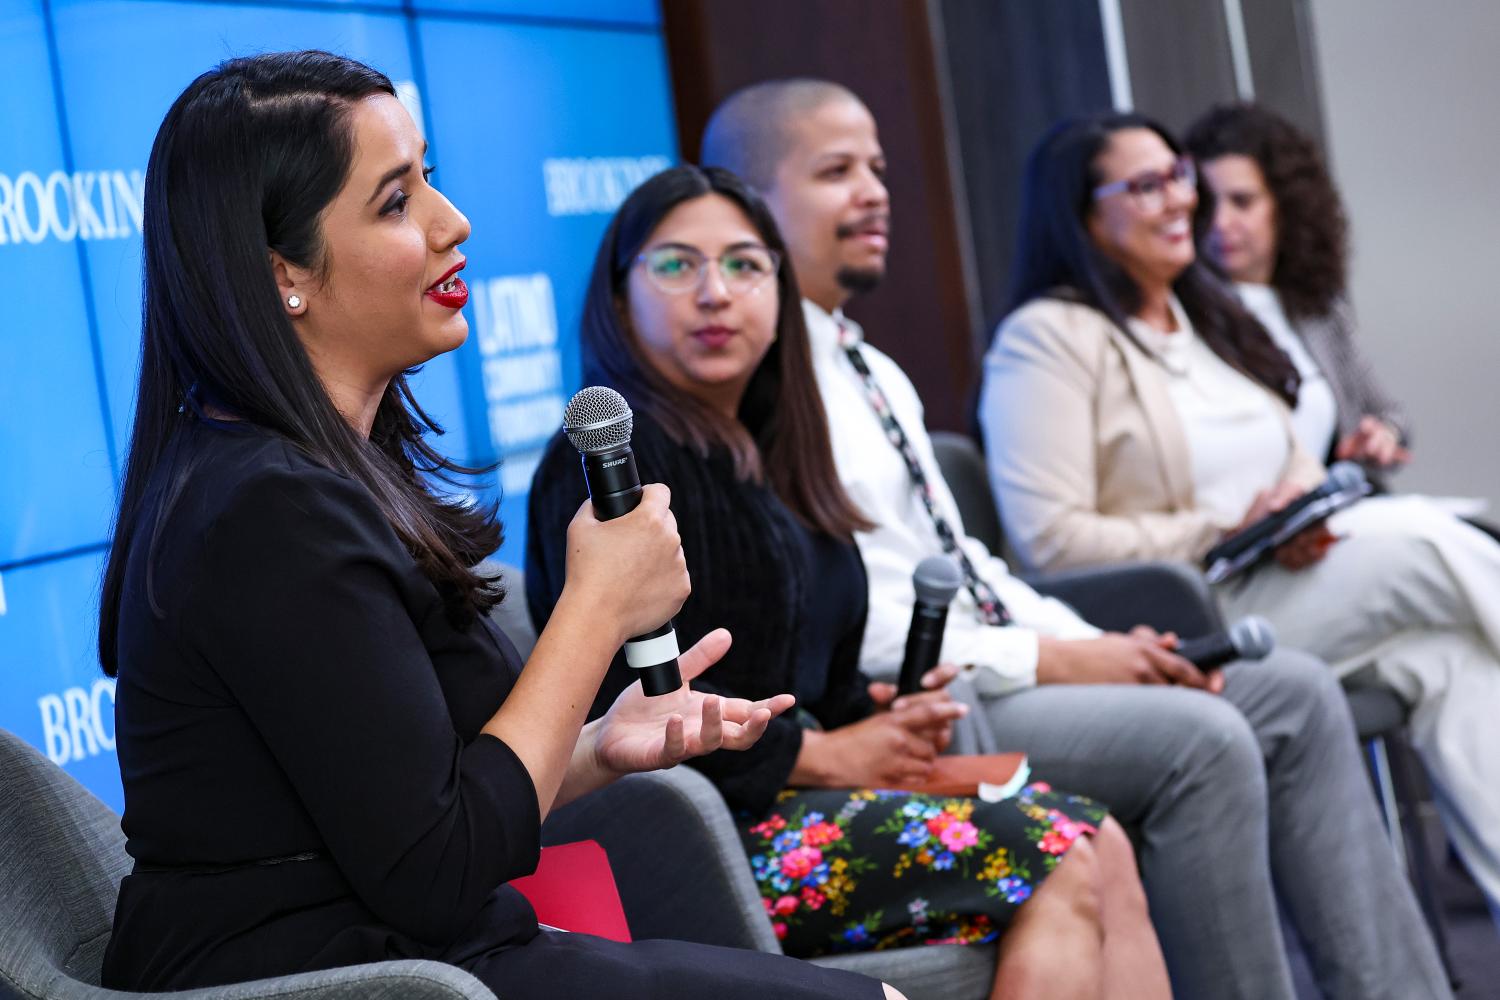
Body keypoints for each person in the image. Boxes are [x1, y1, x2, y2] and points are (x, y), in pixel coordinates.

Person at [96, 51, 899, 1000]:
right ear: (284, 275)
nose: (453, 223)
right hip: (344, 977)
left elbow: (423, 803)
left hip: (431, 957)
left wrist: (604, 743)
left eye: (429, 178)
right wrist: (597, 606)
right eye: (396, 202)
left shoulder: (316, 475)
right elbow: (435, 870)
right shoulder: (265, 510)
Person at [702, 79, 1455, 999]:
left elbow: (964, 559)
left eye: (879, 168)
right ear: (743, 198)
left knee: (1292, 692)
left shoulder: (868, 366)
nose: (875, 192)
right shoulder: (770, 389)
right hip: (937, 694)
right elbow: (871, 615)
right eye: (836, 171)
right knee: (1207, 742)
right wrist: (1060, 658)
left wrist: (1095, 643)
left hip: (1007, 654)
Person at [525, 163, 1171, 1000]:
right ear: (620, 297)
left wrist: (879, 714)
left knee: (1099, 840)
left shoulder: (773, 451)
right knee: (1058, 859)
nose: (715, 293)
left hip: (797, 803)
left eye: (746, 266)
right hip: (710, 834)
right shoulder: (611, 468)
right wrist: (825, 754)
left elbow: (796, 672)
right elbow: (626, 702)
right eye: (677, 265)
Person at [980, 109, 1500, 928]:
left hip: (1289, 576)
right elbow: (1049, 538)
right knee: (1435, 545)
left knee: (1450, 658)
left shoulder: (1210, 316)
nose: (1179, 200)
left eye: (1178, 175)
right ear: (1084, 215)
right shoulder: (1048, 338)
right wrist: (1225, 529)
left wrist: (1298, 507)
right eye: (1146, 184)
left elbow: (1292, 448)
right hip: (1193, 609)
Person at [1184, 101, 1408, 469]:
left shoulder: (1318, 310)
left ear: (1286, 205)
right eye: (1207, 204)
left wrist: (1381, 435)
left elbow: (1390, 415)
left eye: (1242, 202)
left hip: (1335, 510)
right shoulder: (1184, 315)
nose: (1221, 222)